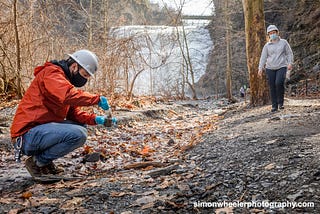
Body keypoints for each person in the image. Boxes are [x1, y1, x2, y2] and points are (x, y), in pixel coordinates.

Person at [11, 50, 112, 178]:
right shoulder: (52, 73)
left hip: (38, 132)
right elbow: (67, 95)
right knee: (78, 134)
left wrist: (97, 119)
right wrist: (96, 99)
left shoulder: (64, 81)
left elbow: (73, 114)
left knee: (80, 126)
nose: (85, 80)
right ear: (75, 67)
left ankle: (44, 162)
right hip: (26, 136)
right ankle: (37, 163)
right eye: (85, 75)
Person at [258, 25, 294, 112]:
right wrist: (260, 68)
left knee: (279, 83)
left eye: (273, 33)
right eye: (270, 33)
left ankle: (280, 102)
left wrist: (290, 63)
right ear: (268, 35)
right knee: (272, 86)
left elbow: (289, 53)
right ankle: (274, 105)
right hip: (270, 67)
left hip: (281, 66)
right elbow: (263, 57)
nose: (272, 34)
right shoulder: (267, 46)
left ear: (277, 33)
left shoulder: (284, 42)